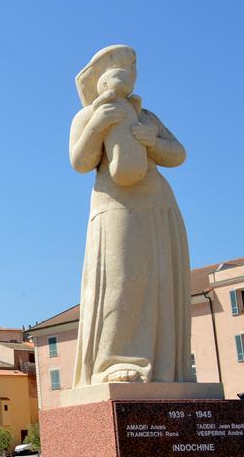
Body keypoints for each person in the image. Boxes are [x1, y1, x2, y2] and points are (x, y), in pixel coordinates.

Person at [69, 45, 193, 385]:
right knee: (120, 281)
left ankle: (164, 363)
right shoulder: (87, 116)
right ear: (99, 78)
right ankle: (113, 361)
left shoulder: (146, 116)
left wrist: (151, 141)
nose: (129, 74)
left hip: (157, 204)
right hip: (115, 205)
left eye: (132, 69)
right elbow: (80, 162)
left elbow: (178, 154)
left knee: (158, 280)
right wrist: (96, 125)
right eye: (120, 68)